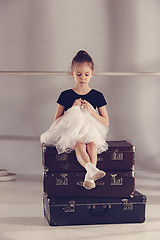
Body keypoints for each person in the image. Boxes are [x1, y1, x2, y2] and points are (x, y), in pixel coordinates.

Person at [40, 50, 109, 190]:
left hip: (90, 132)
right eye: (78, 74)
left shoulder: (97, 96)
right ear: (72, 74)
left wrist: (91, 111)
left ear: (92, 74)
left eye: (86, 74)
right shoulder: (66, 95)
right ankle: (91, 171)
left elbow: (106, 122)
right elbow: (56, 121)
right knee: (79, 145)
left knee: (92, 145)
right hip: (72, 133)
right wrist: (72, 108)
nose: (83, 78)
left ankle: (89, 177)